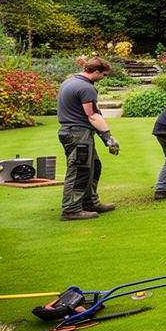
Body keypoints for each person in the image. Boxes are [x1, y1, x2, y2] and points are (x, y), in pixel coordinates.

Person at [56, 57, 121, 221]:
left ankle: (89, 202)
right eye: (104, 75)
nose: (104, 78)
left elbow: (93, 113)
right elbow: (92, 115)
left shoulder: (70, 82)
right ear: (96, 71)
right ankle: (71, 209)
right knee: (80, 170)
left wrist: (103, 136)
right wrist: (108, 138)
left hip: (72, 132)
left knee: (93, 166)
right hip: (77, 134)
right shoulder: (86, 87)